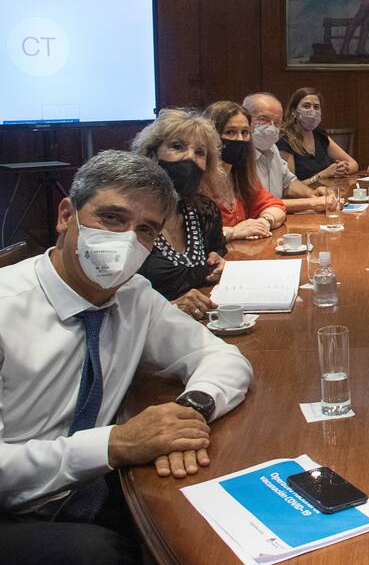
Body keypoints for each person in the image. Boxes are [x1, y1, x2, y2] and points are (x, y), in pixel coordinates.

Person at [0, 151, 253, 565]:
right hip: (16, 512)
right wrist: (115, 444)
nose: (125, 241)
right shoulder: (6, 307)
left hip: (95, 486)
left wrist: (189, 412)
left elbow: (223, 358)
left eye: (145, 230)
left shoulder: (132, 295)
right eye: (112, 219)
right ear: (67, 216)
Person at [130, 108, 226, 321]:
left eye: (200, 152)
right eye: (177, 147)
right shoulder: (129, 217)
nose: (190, 157)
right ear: (153, 155)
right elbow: (109, 298)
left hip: (198, 323)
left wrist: (219, 262)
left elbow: (217, 251)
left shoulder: (204, 211)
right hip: (142, 333)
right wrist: (170, 308)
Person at [202, 101, 286, 240]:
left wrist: (264, 222)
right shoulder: (196, 184)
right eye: (230, 132)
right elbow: (191, 239)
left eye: (245, 132)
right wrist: (233, 232)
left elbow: (276, 206)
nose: (240, 139)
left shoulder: (240, 177)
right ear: (211, 136)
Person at [242, 92, 339, 213]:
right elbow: (257, 204)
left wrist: (312, 194)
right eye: (263, 119)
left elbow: (289, 183)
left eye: (277, 122)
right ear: (244, 119)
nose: (271, 128)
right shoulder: (238, 155)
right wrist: (312, 203)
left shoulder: (272, 148)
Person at [277, 87, 359, 183]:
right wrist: (322, 175)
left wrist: (341, 169)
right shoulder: (285, 141)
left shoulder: (319, 135)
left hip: (326, 192)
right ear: (294, 111)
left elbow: (354, 164)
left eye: (316, 107)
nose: (312, 111)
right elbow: (289, 187)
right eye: (306, 106)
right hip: (303, 197)